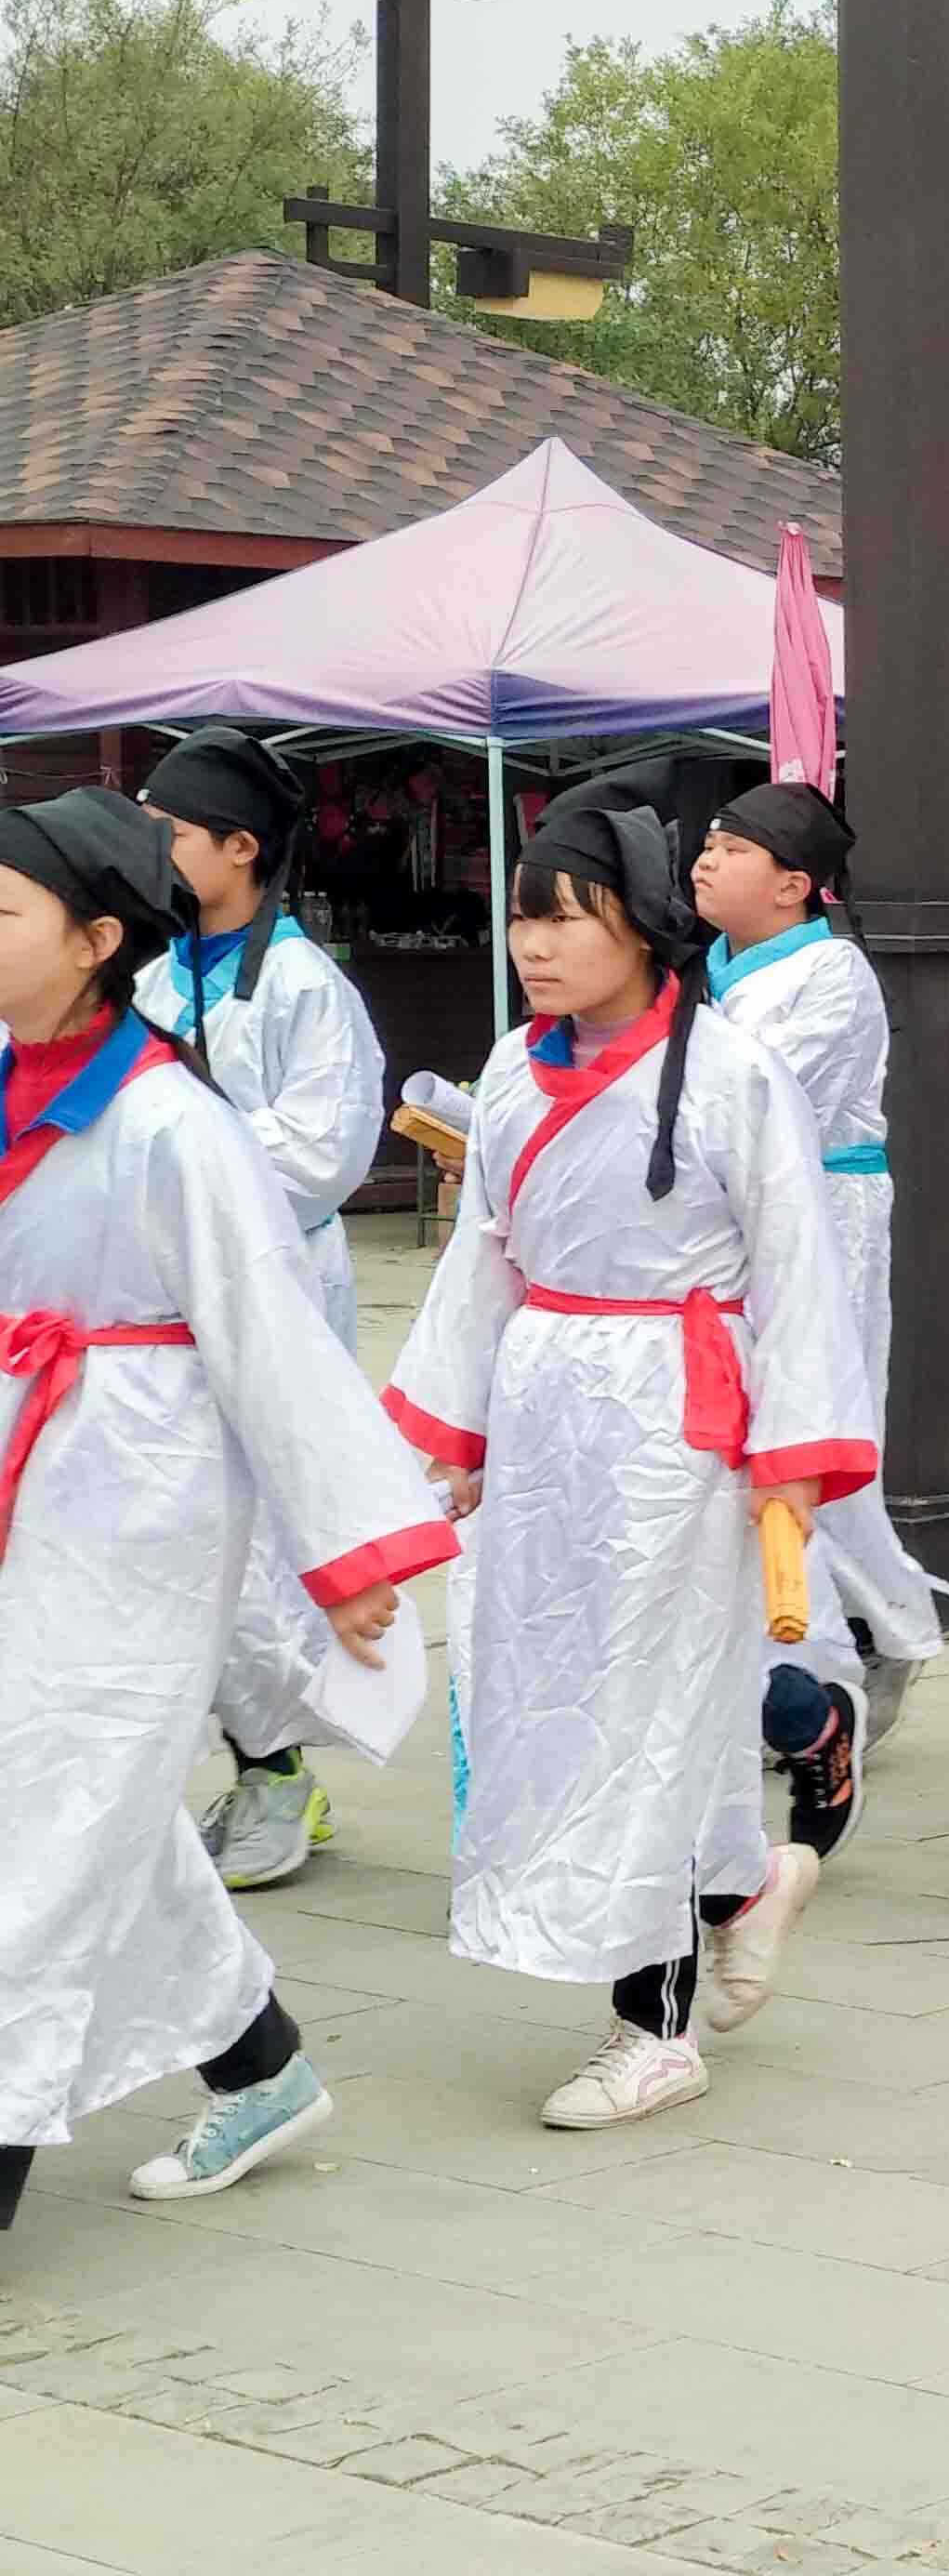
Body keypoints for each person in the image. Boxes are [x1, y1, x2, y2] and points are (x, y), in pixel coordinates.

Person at [384, 784, 872, 2126]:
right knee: (564, 1682)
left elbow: (796, 1264)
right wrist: (459, 1433)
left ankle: (652, 2025)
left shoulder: (731, 1073)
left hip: (675, 1419)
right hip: (547, 1398)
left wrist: (790, 1453)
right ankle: (740, 1885)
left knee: (639, 1705)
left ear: (643, 926)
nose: (534, 945)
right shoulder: (510, 1065)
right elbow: (483, 1255)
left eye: (567, 917)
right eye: (523, 917)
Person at [0, 791, 450, 2228]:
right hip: (29, 1473)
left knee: (52, 1809)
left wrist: (349, 1549)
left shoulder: (171, 1123)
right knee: (78, 1798)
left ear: (95, 941)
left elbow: (270, 1335)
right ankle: (256, 2064)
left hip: (141, 1499)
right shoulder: (9, 1079)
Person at [134, 728, 389, 1893]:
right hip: (165, 1296)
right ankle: (259, 1757)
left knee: (266, 1540)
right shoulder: (150, 971)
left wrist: (180, 1165)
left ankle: (280, 1767)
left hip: (274, 1285)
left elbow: (323, 1154)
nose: (154, 845)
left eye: (172, 828)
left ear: (240, 848)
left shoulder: (304, 985)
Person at [692, 783, 949, 1828]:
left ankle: (885, 1632)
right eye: (708, 843)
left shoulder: (832, 976)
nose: (706, 860)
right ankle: (820, 1655)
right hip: (733, 1227)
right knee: (767, 1448)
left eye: (732, 848)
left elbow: (758, 1105)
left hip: (823, 1222)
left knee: (819, 1443)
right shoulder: (711, 969)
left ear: (794, 885)